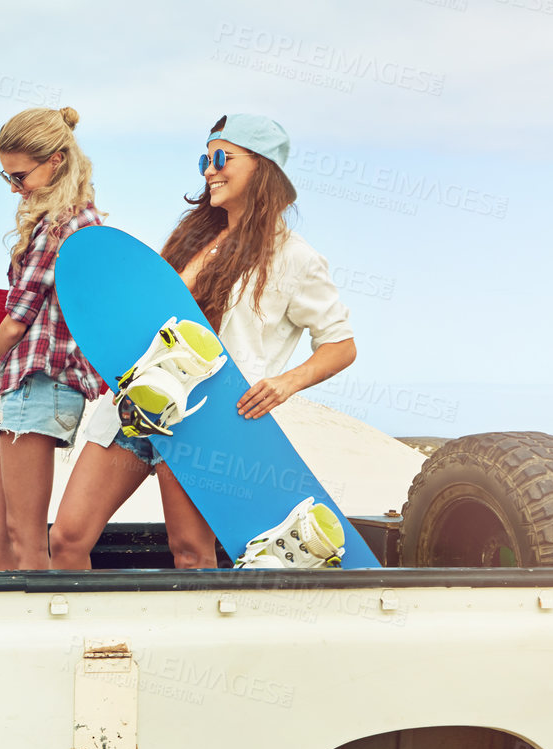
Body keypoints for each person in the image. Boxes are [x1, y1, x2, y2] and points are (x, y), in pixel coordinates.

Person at [50, 114, 359, 570]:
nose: (209, 170)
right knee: (67, 537)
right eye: (204, 160)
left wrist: (286, 383)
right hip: (137, 404)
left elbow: (341, 345)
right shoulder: (192, 236)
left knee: (191, 553)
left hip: (205, 421)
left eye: (220, 158)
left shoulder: (296, 257)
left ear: (263, 167)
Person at [0, 106, 105, 571]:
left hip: (42, 385)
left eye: (21, 175)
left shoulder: (62, 225)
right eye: (7, 177)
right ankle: (13, 630)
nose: (15, 188)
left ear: (56, 160)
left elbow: (18, 316)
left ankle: (48, 635)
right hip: (27, 387)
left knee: (25, 539)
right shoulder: (68, 221)